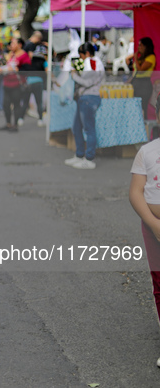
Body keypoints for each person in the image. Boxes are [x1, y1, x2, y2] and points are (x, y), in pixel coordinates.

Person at [129, 99, 160, 368]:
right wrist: (152, 223)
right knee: (159, 283)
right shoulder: (147, 152)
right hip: (154, 228)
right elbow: (136, 192)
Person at [64, 42, 105, 170]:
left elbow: (88, 82)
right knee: (76, 127)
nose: (80, 58)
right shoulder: (92, 62)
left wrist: (74, 75)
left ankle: (89, 158)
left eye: (81, 55)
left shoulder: (93, 63)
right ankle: (80, 154)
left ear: (86, 53)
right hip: (84, 98)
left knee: (88, 129)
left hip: (89, 98)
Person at [0, 37, 31, 132]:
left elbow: (27, 69)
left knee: (16, 104)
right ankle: (8, 123)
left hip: (17, 84)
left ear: (19, 45)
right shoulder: (11, 55)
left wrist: (18, 70)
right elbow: (7, 66)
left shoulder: (24, 55)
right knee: (6, 104)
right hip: (7, 83)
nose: (11, 45)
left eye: (13, 43)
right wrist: (1, 69)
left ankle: (15, 125)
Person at [128, 37, 156, 118]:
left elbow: (140, 70)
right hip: (136, 83)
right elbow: (135, 73)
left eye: (140, 45)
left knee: (142, 107)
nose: (138, 47)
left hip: (144, 85)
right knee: (135, 108)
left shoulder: (151, 57)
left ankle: (144, 127)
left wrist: (135, 58)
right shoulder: (141, 58)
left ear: (146, 47)